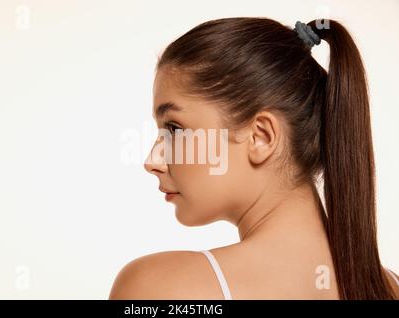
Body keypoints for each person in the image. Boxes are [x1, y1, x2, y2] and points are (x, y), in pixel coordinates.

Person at [109, 17, 399, 300]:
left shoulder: (159, 288)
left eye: (174, 128)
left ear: (261, 137)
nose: (152, 161)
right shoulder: (392, 287)